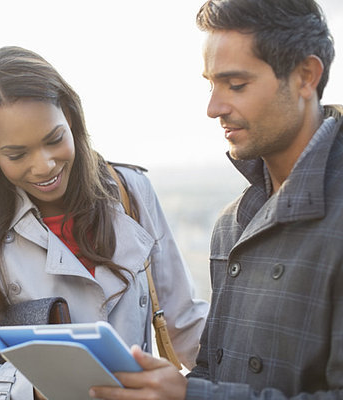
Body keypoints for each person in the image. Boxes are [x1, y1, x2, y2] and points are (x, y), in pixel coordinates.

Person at [89, 0, 343, 399]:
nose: (214, 108)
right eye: (211, 85)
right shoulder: (232, 224)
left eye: (236, 85)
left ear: (305, 76)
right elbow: (212, 368)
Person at [0, 46, 208, 399]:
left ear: (71, 118)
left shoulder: (132, 191)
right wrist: (34, 389)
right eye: (17, 154)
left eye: (54, 139)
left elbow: (185, 323)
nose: (44, 165)